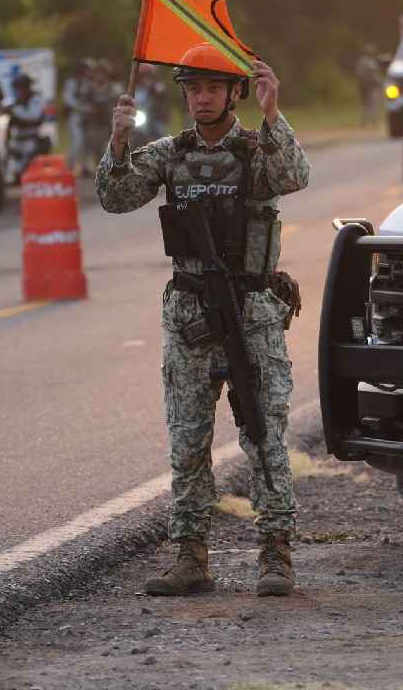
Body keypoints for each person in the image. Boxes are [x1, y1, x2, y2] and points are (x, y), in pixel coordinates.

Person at [97, 43, 310, 597]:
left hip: (252, 313)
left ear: (233, 91)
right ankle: (191, 556)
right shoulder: (170, 153)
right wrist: (118, 140)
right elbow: (116, 197)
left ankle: (275, 555)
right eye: (192, 88)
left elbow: (294, 176)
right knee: (188, 441)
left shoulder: (255, 148)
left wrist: (273, 111)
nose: (202, 97)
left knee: (264, 435)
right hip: (190, 311)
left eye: (213, 87)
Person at [80, 60, 119, 178]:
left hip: (107, 123)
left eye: (103, 73)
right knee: (93, 147)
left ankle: (107, 169)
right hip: (93, 122)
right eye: (98, 73)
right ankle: (93, 169)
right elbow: (83, 104)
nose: (101, 76)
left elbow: (117, 103)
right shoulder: (88, 89)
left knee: (106, 148)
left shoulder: (113, 88)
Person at [6, 73, 47, 176]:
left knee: (28, 169)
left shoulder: (36, 99)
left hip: (32, 139)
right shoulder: (13, 101)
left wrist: (13, 110)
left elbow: (32, 116)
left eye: (21, 87)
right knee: (14, 172)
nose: (19, 91)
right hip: (17, 141)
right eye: (17, 88)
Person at [62, 60, 92, 171]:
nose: (88, 72)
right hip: (74, 116)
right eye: (86, 70)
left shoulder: (87, 83)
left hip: (87, 117)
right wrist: (84, 108)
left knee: (86, 142)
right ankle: (68, 165)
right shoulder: (71, 83)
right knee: (77, 141)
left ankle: (85, 166)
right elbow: (68, 100)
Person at [354, 44, 382, 128]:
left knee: (365, 104)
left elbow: (358, 74)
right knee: (372, 104)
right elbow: (374, 75)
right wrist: (379, 82)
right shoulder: (370, 62)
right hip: (370, 86)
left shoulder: (361, 61)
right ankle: (372, 121)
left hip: (363, 85)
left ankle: (364, 121)